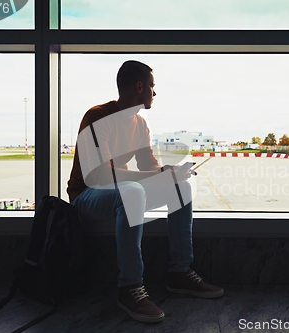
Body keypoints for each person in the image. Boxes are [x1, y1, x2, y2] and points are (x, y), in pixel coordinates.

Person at [67, 60, 223, 323]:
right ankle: (129, 288)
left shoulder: (140, 123)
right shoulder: (97, 117)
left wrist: (170, 173)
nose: (154, 92)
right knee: (132, 193)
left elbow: (148, 167)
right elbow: (101, 176)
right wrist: (159, 175)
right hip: (86, 195)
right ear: (139, 87)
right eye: (152, 86)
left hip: (119, 192)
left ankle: (179, 272)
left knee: (180, 187)